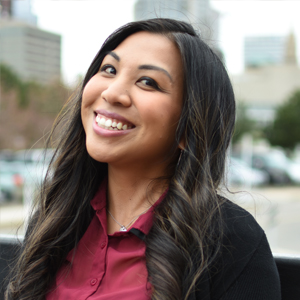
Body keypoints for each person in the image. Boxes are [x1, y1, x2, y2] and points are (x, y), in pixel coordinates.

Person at [5, 18, 281, 300]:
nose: (111, 93)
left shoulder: (232, 241)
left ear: (189, 128)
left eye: (147, 82)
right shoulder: (56, 220)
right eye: (109, 69)